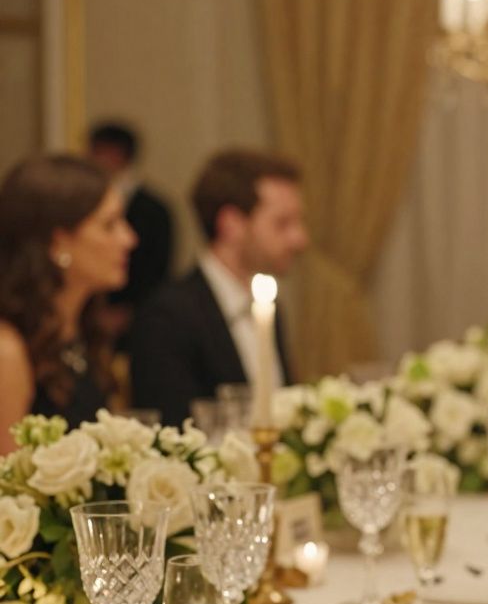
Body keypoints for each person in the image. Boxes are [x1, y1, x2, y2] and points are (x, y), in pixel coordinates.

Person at [130, 149, 307, 426]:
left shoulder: (268, 305)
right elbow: (174, 436)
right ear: (231, 224)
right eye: (282, 224)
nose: (300, 239)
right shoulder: (168, 317)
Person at [0, 155, 138, 451]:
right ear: (58, 241)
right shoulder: (8, 351)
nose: (129, 239)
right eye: (109, 225)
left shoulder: (80, 327)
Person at [87, 121, 175, 342]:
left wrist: (129, 312)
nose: (128, 239)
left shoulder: (154, 209)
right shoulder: (86, 201)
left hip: (141, 323)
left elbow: (158, 271)